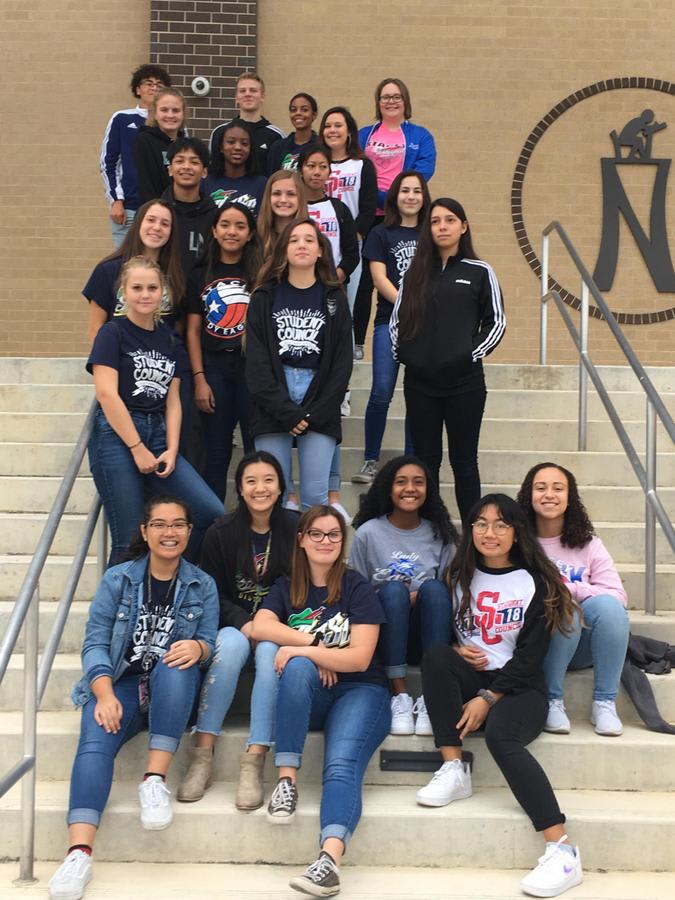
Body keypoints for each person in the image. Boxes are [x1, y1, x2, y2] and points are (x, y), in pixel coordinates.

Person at [47, 496, 218, 900]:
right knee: (94, 742)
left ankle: (153, 781)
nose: (169, 533)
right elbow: (94, 644)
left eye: (178, 524)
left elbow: (209, 641)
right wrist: (103, 693)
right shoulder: (119, 579)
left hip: (171, 691)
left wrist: (199, 648)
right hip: (121, 684)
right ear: (144, 531)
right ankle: (78, 855)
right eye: (159, 524)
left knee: (177, 665)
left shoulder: (202, 584)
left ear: (189, 531)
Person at [418, 494, 583, 899]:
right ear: (470, 529)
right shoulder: (458, 576)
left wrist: (489, 697)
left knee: (500, 737)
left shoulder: (535, 582)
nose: (488, 533)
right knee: (437, 656)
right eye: (480, 524)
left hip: (520, 690)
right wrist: (456, 649)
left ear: (516, 532)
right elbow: (443, 638)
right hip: (473, 678)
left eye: (500, 525)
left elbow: (530, 658)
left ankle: (562, 850)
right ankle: (453, 768)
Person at [251, 506, 390, 897]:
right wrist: (314, 645)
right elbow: (260, 626)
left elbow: (359, 658)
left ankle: (329, 861)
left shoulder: (356, 586)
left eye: (333, 535)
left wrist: (310, 654)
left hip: (361, 691)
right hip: (312, 696)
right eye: (316, 533)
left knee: (341, 764)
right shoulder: (287, 587)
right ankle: (287, 781)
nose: (325, 541)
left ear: (343, 541)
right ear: (301, 539)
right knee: (296, 668)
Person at [177, 451, 298, 809]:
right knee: (229, 646)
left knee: (269, 651)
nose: (261, 488)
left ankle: (254, 759)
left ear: (280, 487)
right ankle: (203, 754)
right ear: (241, 489)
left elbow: (303, 586)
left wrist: (269, 625)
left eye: (268, 480)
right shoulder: (221, 531)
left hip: (279, 625)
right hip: (233, 623)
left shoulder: (297, 528)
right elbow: (210, 590)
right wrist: (245, 623)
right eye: (251, 481)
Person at [86, 256, 223, 567]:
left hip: (159, 435)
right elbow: (106, 394)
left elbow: (173, 400)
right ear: (123, 292)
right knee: (128, 539)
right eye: (137, 288)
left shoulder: (170, 340)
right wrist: (136, 448)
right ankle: (118, 600)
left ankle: (168, 577)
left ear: (163, 292)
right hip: (117, 437)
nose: (145, 294)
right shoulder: (112, 333)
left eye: (152, 288)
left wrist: (172, 449)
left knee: (209, 513)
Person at [390, 197, 506, 523]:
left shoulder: (480, 271)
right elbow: (397, 322)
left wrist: (468, 355)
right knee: (425, 463)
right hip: (420, 385)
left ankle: (473, 533)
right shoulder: (414, 273)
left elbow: (496, 322)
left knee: (464, 462)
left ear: (463, 227)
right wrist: (408, 356)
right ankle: (432, 530)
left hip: (464, 385)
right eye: (435, 221)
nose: (442, 227)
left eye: (450, 220)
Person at [517, 462, 630, 736]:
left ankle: (604, 703)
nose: (549, 494)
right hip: (534, 642)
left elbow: (618, 596)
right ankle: (552, 700)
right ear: (529, 495)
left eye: (558, 488)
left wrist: (572, 589)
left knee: (608, 607)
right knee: (565, 608)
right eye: (540, 488)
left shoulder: (588, 544)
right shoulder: (517, 542)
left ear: (570, 497)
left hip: (580, 646)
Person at [246, 219, 352, 510]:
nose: (301, 245)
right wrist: (285, 410)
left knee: (316, 499)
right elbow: (256, 364)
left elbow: (342, 364)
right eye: (293, 240)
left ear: (320, 251)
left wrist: (313, 412)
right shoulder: (264, 297)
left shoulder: (334, 298)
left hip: (318, 395)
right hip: (273, 396)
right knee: (274, 498)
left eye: (309, 240)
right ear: (283, 250)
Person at [350, 455, 457, 734]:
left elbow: (449, 595)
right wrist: (399, 596)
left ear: (428, 490)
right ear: (388, 488)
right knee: (394, 591)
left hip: (426, 636)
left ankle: (431, 696)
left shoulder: (440, 534)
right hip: (382, 635)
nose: (410, 488)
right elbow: (356, 595)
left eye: (418, 482)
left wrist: (418, 597)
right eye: (401, 482)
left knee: (434, 589)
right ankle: (399, 693)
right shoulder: (368, 533)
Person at [351, 171, 430, 484]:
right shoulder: (380, 233)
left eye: (417, 191)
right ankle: (371, 460)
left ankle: (411, 463)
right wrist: (406, 305)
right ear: (395, 196)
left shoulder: (431, 233)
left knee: (416, 393)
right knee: (381, 391)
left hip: (426, 324)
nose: (411, 196)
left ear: (424, 197)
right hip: (389, 320)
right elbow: (379, 278)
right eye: (405, 190)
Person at [352, 78, 437, 359]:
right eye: (385, 97)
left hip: (406, 217)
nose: (391, 101)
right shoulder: (364, 135)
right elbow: (355, 171)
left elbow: (424, 170)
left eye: (396, 96)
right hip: (371, 216)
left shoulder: (420, 136)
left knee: (407, 272)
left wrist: (396, 198)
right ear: (378, 102)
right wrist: (380, 198)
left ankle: (418, 330)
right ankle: (357, 342)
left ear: (405, 101)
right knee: (365, 281)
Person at [185, 202, 261, 500]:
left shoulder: (260, 272)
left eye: (240, 226)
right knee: (216, 452)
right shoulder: (200, 273)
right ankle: (215, 520)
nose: (232, 231)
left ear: (250, 233)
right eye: (225, 225)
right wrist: (199, 378)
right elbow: (193, 330)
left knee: (255, 451)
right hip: (214, 368)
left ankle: (254, 516)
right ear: (214, 231)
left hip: (250, 370)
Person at [82, 199, 185, 343]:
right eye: (151, 220)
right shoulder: (107, 270)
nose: (157, 227)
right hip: (119, 355)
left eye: (165, 224)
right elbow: (95, 329)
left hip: (163, 355)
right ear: (138, 223)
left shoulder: (177, 273)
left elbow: (178, 328)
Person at [100, 63, 172, 247]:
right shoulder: (122, 119)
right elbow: (108, 163)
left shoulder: (172, 122)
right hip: (129, 208)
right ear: (138, 89)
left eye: (159, 85)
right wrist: (116, 200)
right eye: (149, 83)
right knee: (126, 260)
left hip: (163, 209)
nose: (154, 88)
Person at [320, 105, 377, 316]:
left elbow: (368, 209)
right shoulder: (316, 164)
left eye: (338, 125)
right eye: (327, 126)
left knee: (345, 309)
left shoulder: (362, 165)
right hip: (317, 243)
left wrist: (352, 238)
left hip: (350, 246)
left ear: (349, 131)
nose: (332, 130)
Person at [299, 144, 359, 284]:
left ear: (329, 172)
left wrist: (336, 277)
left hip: (333, 284)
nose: (317, 172)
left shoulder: (340, 209)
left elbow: (352, 253)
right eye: (311, 166)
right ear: (300, 170)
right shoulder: (294, 208)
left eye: (323, 167)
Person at [160, 137, 217, 277]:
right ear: (170, 169)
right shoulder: (156, 213)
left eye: (194, 162)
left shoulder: (214, 216)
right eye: (180, 161)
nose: (186, 167)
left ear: (204, 172)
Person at [209, 71, 284, 175]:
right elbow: (212, 171)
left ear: (262, 96)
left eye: (253, 90)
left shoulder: (276, 135)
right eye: (242, 91)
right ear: (236, 97)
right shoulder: (219, 132)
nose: (247, 94)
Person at [134, 87, 188, 206]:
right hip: (156, 210)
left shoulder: (186, 145)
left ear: (183, 114)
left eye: (176, 110)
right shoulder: (145, 141)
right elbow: (146, 185)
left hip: (183, 211)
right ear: (155, 113)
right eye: (164, 110)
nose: (170, 115)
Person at [204, 119, 268, 214]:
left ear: (251, 148)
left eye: (244, 143)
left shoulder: (262, 185)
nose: (238, 147)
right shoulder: (205, 183)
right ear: (221, 147)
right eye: (231, 142)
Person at [256, 169, 308, 260]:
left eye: (291, 194)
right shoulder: (255, 238)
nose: (283, 200)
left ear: (300, 198)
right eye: (277, 193)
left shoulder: (312, 238)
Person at [266, 92, 319, 174]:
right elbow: (271, 177)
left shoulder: (321, 146)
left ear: (314, 115)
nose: (298, 113)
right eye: (293, 110)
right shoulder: (278, 147)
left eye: (304, 110)